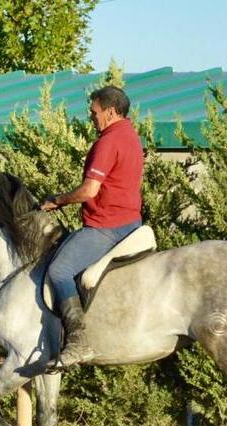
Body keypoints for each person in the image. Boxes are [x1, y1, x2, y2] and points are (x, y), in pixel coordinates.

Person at [40, 85, 144, 369]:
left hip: (107, 226)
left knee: (58, 270)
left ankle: (77, 342)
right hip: (131, 223)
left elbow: (89, 190)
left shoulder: (108, 141)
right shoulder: (132, 137)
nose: (91, 117)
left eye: (94, 112)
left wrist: (58, 201)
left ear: (110, 112)